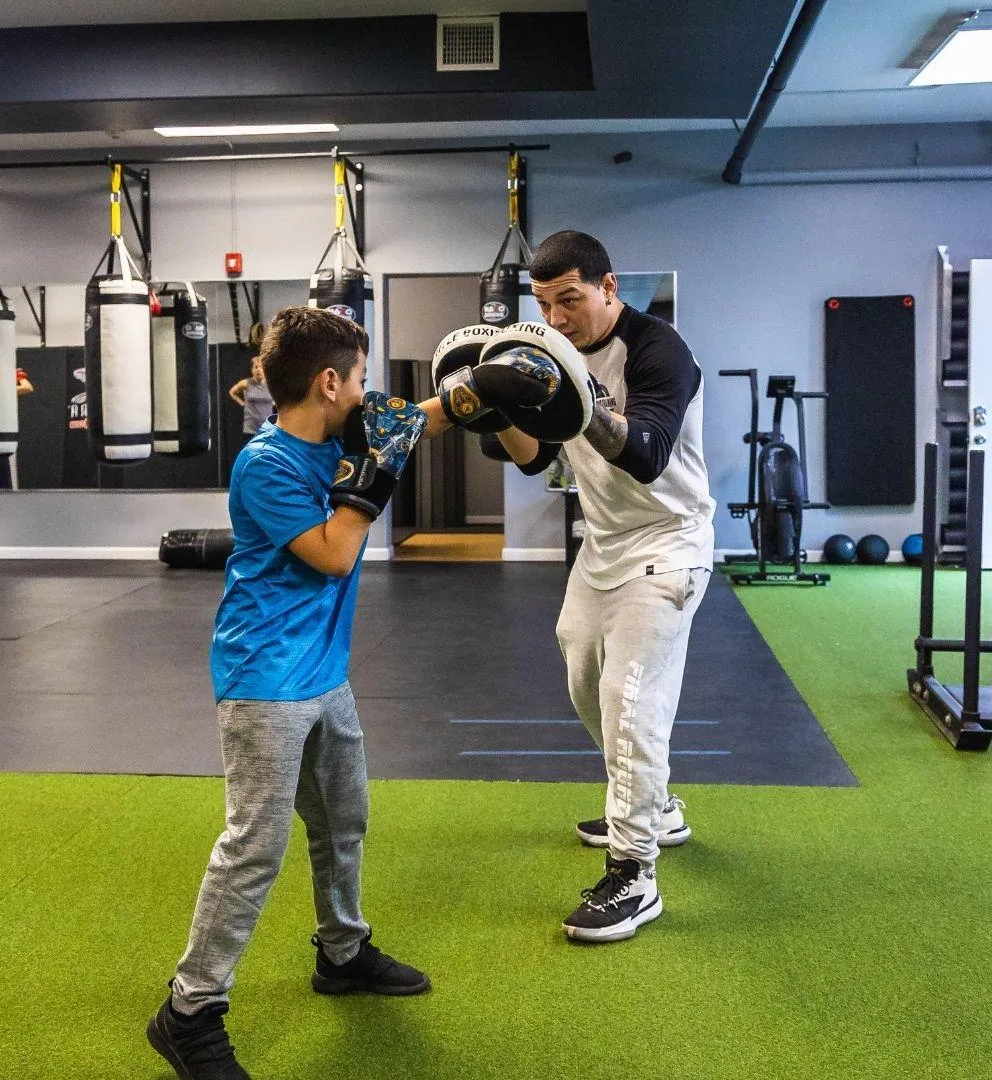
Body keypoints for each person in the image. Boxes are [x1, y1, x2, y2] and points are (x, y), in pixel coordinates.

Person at [147, 306, 457, 1080]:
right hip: (265, 681)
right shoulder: (268, 463)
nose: (367, 389)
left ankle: (343, 953)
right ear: (329, 382)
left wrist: (483, 390)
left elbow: (414, 422)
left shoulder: (347, 435)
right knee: (255, 846)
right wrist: (374, 482)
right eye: (358, 377)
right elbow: (330, 553)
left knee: (343, 819)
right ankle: (189, 1009)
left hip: (324, 675)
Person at [498, 231, 715, 943]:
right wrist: (500, 407)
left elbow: (647, 454)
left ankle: (635, 869)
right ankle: (652, 802)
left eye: (570, 300)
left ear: (608, 287)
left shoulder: (659, 350)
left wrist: (572, 397)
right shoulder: (552, 345)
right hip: (604, 545)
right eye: (544, 304)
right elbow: (535, 463)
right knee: (584, 680)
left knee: (630, 697)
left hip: (670, 540)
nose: (557, 319)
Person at [0, 366, 34, 490]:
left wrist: (16, 376)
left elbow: (28, 387)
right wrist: (17, 376)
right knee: (5, 488)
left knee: (5, 488)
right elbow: (27, 387)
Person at [229, 355, 276, 441]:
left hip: (268, 429)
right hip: (250, 429)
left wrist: (273, 403)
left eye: (261, 367)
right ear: (252, 370)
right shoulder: (246, 383)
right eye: (256, 367)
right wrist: (242, 403)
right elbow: (232, 392)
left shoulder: (271, 384)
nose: (258, 370)